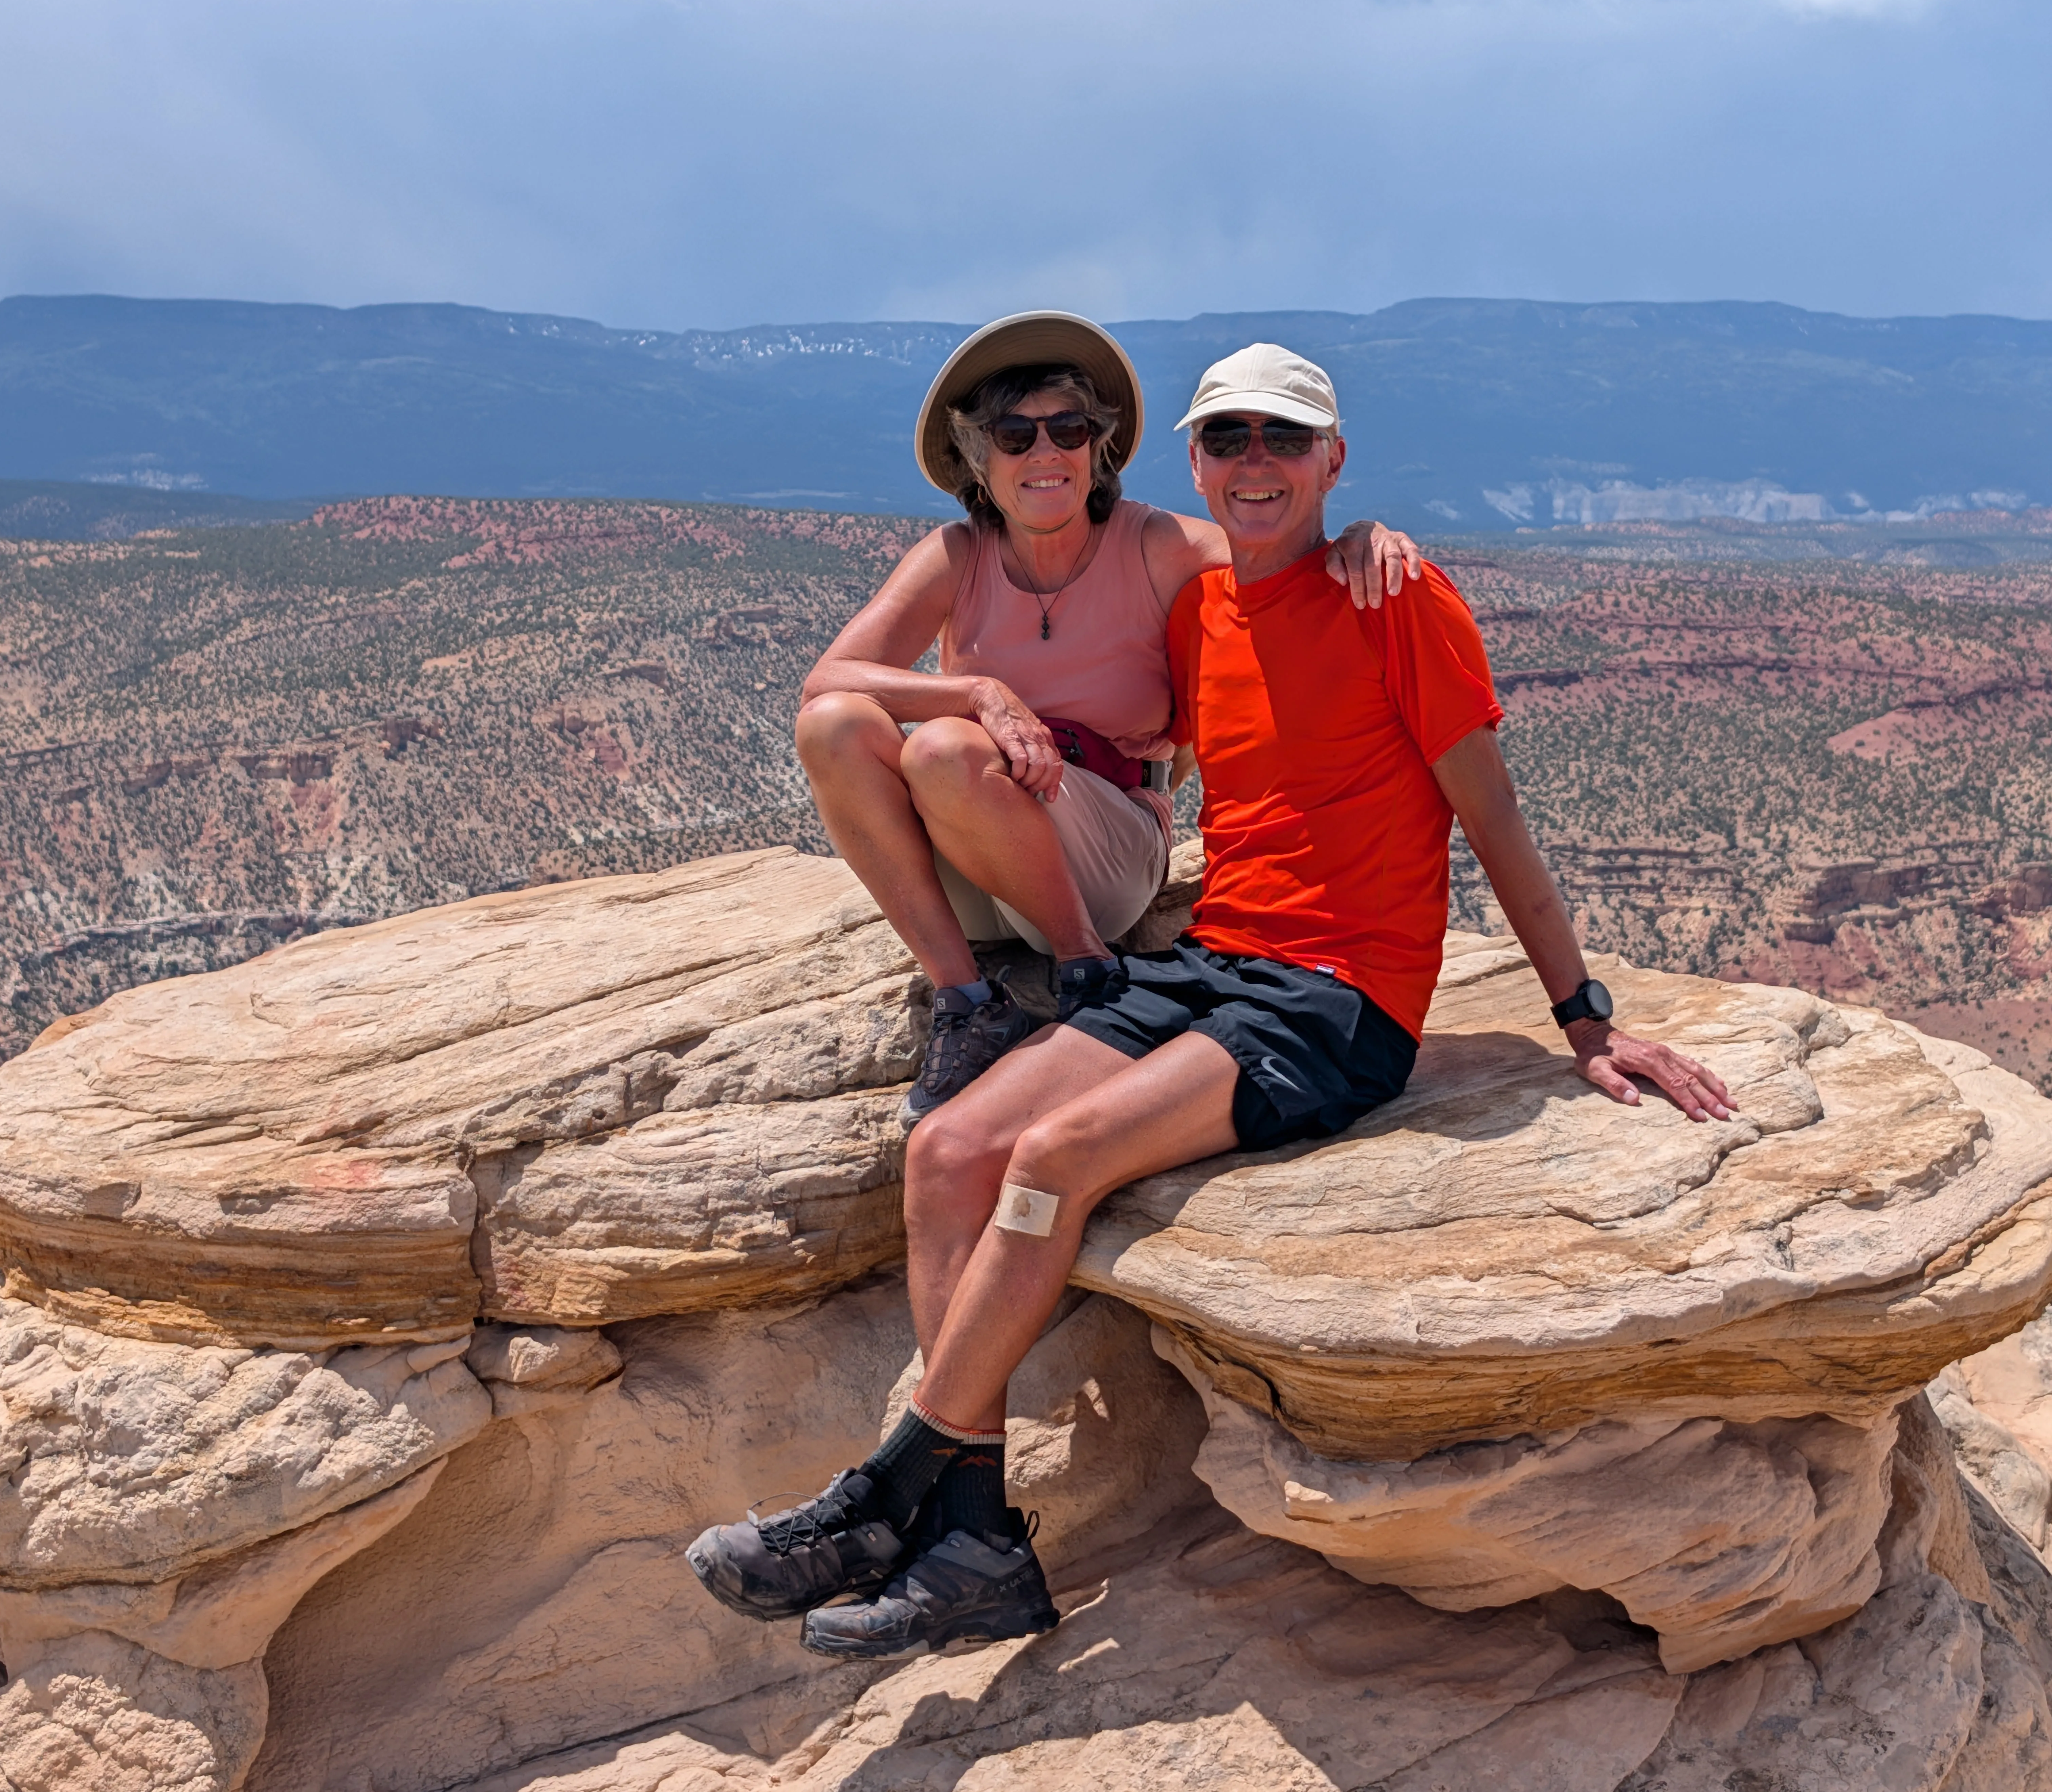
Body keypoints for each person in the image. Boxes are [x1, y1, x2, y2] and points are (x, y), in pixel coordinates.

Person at [688, 340, 1738, 1658]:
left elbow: (1495, 818)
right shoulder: (1201, 609)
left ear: (1332, 460)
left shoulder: (1401, 601)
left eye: (1283, 441)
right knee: (952, 1149)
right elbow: (1107, 701)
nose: (1255, 464)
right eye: (1229, 440)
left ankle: (886, 1496)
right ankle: (976, 1540)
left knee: (1057, 1156)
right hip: (1209, 965)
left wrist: (1584, 1018)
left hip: (1334, 1000)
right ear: (1192, 461)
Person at [792, 311, 1423, 1119]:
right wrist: (979, 693)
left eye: (1069, 428)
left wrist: (1362, 536)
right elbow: (827, 683)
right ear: (979, 460)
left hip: (1108, 858)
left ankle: (1087, 970)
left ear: (1100, 448)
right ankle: (966, 999)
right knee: (837, 726)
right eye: (1015, 434)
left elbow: (1286, 549)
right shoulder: (956, 556)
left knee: (945, 752)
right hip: (978, 854)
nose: (1045, 452)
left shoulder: (1153, 544)